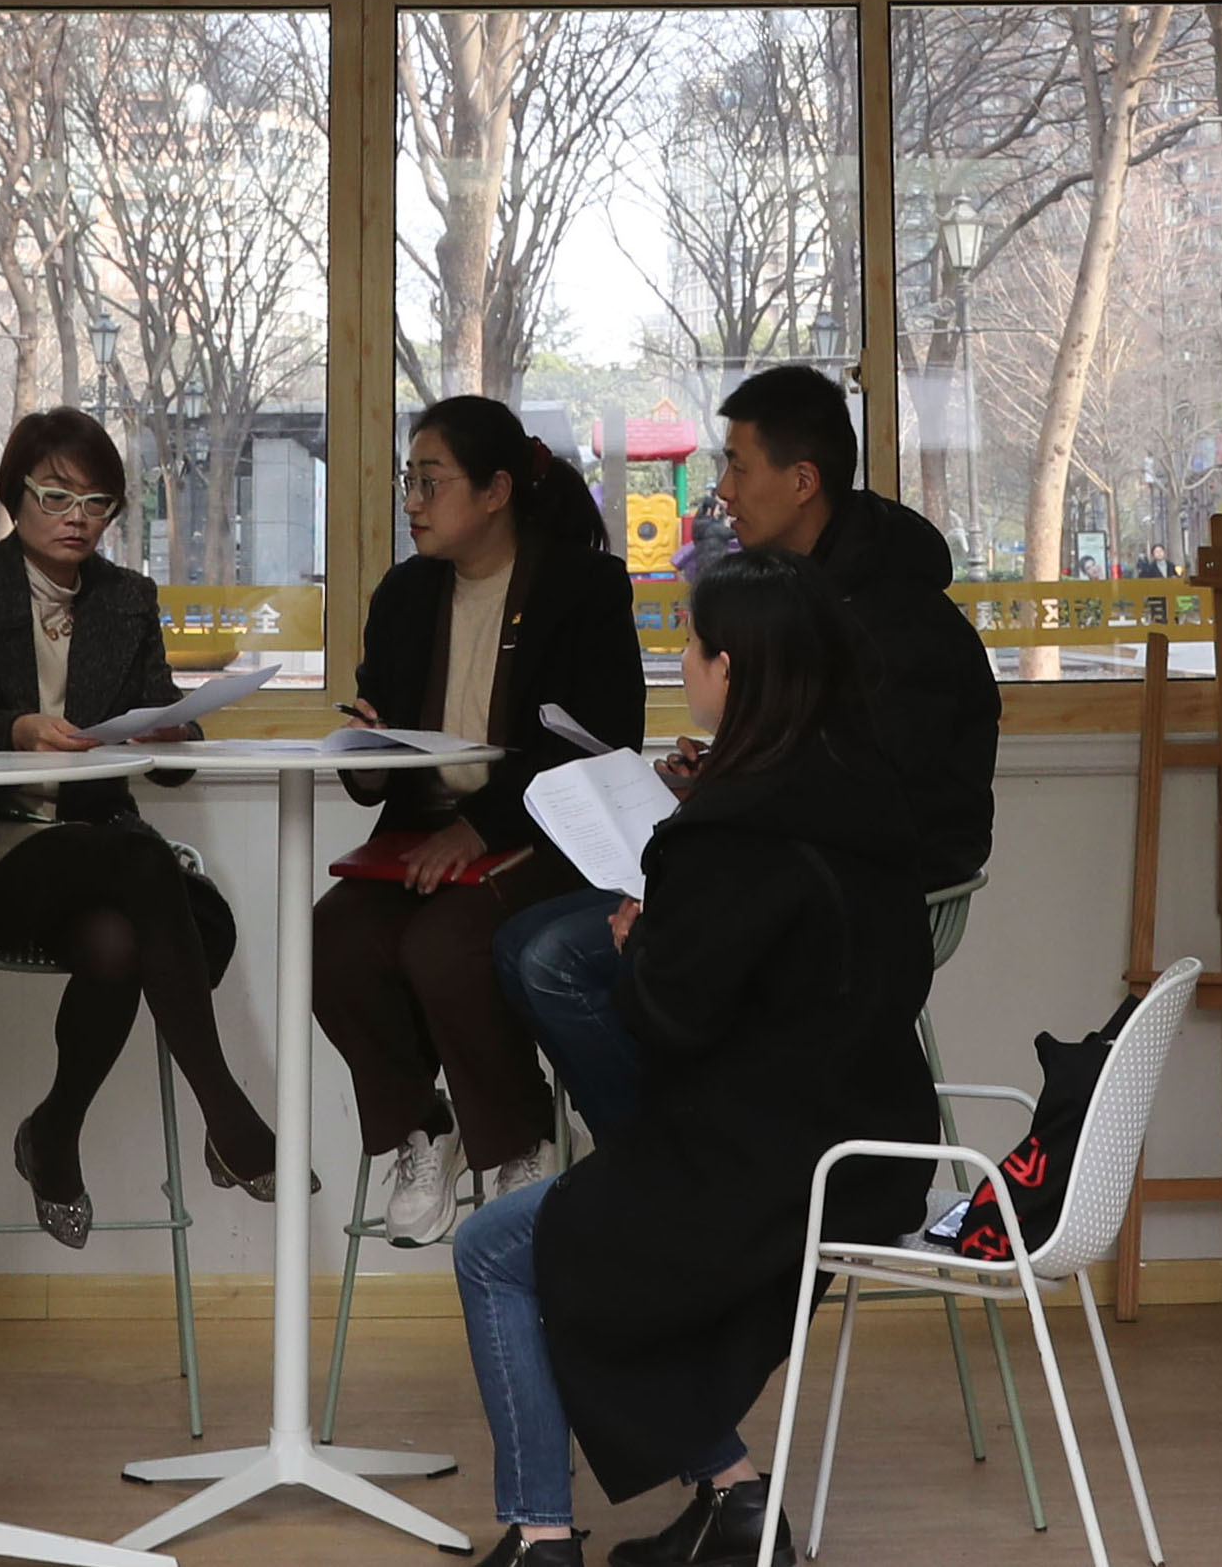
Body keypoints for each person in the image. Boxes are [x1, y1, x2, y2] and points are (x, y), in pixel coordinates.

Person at [452, 549, 933, 1567]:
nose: (682, 660)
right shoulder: (866, 793)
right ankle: (736, 1500)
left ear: (732, 669)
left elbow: (668, 1020)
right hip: (872, 1147)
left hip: (763, 1166)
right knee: (592, 1227)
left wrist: (643, 944)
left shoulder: (735, 832)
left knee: (497, 1248)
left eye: (692, 644)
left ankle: (542, 1537)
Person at [503, 364, 994, 1142]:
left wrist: (730, 809)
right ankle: (676, 1152)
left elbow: (873, 799)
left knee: (553, 959)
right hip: (780, 862)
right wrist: (720, 781)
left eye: (737, 465)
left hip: (869, 895)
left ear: (802, 481)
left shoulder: (898, 623)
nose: (723, 491)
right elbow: (807, 760)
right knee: (517, 939)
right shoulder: (802, 593)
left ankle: (670, 1162)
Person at [0, 407, 283, 1239]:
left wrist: (173, 733)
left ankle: (53, 1132)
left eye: (97, 502)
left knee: (117, 943)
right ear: (14, 496)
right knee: (144, 866)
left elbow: (170, 752)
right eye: (56, 495)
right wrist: (14, 728)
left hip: (96, 853)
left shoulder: (126, 599)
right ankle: (228, 1114)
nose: (77, 517)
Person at [317, 395, 647, 1246]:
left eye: (430, 482)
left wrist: (482, 826)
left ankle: (524, 1138)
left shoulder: (581, 587)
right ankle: (422, 1127)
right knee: (335, 936)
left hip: (541, 837)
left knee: (444, 945)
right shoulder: (404, 593)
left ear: (497, 490)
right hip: (421, 835)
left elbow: (603, 738)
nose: (412, 501)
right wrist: (364, 750)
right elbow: (381, 739)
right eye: (407, 480)